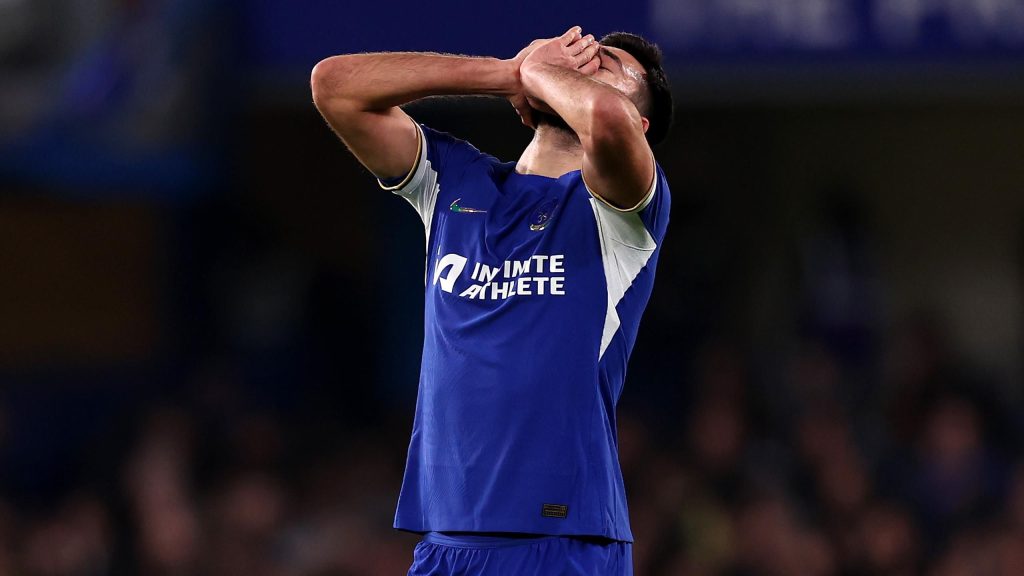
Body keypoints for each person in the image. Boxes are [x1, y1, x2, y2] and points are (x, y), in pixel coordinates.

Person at [311, 26, 673, 576]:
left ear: (641, 126)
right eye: (582, 52)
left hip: (562, 538)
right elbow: (334, 86)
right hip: (446, 539)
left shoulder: (623, 212)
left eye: (607, 64)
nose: (585, 58)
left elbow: (607, 117)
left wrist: (538, 71)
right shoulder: (454, 181)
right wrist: (504, 73)